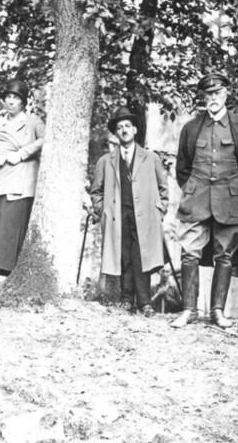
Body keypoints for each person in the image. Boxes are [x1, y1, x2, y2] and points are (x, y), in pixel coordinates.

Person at [170, 72, 238, 328]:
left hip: (229, 201)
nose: (213, 98)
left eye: (217, 93)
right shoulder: (191, 128)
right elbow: (182, 169)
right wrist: (193, 189)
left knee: (225, 255)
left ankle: (217, 312)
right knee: (189, 252)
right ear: (203, 96)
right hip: (196, 199)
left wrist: (235, 190)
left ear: (226, 94)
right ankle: (189, 310)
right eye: (208, 94)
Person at [90, 106, 169, 317]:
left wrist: (159, 211)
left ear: (135, 129)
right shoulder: (105, 161)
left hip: (144, 217)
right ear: (116, 133)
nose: (124, 130)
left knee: (141, 256)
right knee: (123, 255)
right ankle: (126, 299)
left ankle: (145, 302)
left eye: (127, 126)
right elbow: (96, 191)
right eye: (119, 127)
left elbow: (164, 188)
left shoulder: (150, 158)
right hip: (118, 216)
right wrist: (102, 211)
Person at [0, 80, 45, 296]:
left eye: (15, 98)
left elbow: (46, 139)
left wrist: (22, 153)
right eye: (7, 98)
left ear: (23, 102)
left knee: (8, 232)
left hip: (20, 185)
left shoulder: (32, 121)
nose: (11, 101)